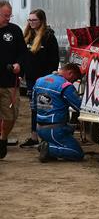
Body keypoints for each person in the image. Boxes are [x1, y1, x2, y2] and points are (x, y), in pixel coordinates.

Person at [20, 9, 59, 148]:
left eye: (34, 20)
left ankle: (46, 138)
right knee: (34, 108)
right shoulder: (27, 36)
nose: (31, 23)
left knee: (45, 107)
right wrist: (21, 75)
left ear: (41, 21)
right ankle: (34, 136)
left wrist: (49, 77)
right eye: (29, 20)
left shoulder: (48, 37)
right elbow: (23, 58)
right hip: (31, 79)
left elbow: (54, 59)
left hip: (44, 80)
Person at [31, 63, 84, 162]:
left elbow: (33, 106)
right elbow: (79, 107)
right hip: (55, 130)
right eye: (74, 79)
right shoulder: (65, 86)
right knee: (77, 153)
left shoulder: (40, 80)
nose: (73, 82)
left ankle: (47, 146)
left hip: (39, 128)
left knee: (69, 129)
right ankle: (48, 148)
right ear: (70, 73)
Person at [0, 0, 27, 158]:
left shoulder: (15, 31)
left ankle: (3, 138)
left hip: (10, 82)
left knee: (11, 115)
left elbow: (23, 52)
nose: (8, 18)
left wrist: (19, 64)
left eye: (9, 15)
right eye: (5, 15)